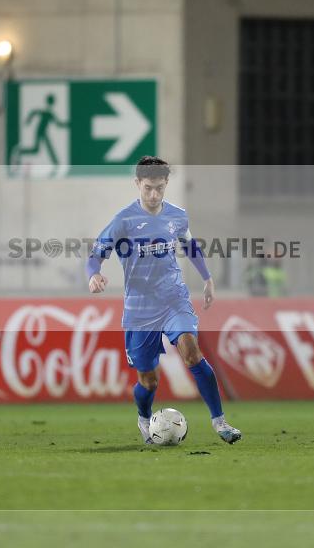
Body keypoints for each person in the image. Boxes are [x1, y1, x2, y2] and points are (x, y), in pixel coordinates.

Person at [86, 156, 242, 445]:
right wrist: (94, 274)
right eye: (148, 188)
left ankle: (220, 422)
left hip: (174, 298)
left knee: (192, 353)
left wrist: (207, 278)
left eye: (159, 187)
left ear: (166, 183)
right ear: (137, 184)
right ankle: (144, 418)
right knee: (149, 380)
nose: (154, 194)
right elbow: (96, 253)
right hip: (140, 308)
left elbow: (190, 245)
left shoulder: (177, 215)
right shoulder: (123, 221)